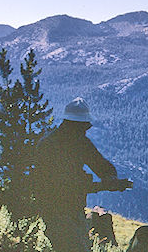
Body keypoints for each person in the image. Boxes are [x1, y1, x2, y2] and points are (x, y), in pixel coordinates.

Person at [31, 97, 123, 252]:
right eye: (84, 126)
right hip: (55, 211)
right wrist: (104, 185)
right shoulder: (49, 146)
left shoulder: (79, 142)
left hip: (74, 208)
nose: (87, 129)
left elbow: (101, 165)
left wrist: (110, 177)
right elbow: (64, 185)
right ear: (74, 124)